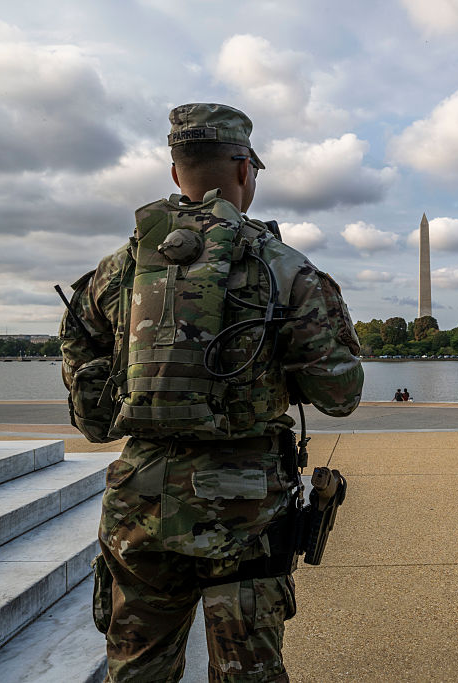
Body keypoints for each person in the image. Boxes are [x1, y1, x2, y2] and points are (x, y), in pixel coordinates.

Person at [60, 102, 363, 683]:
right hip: (246, 509)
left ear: (176, 172)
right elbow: (340, 394)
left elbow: (91, 408)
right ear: (245, 170)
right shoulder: (288, 270)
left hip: (137, 502)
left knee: (136, 669)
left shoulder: (113, 273)